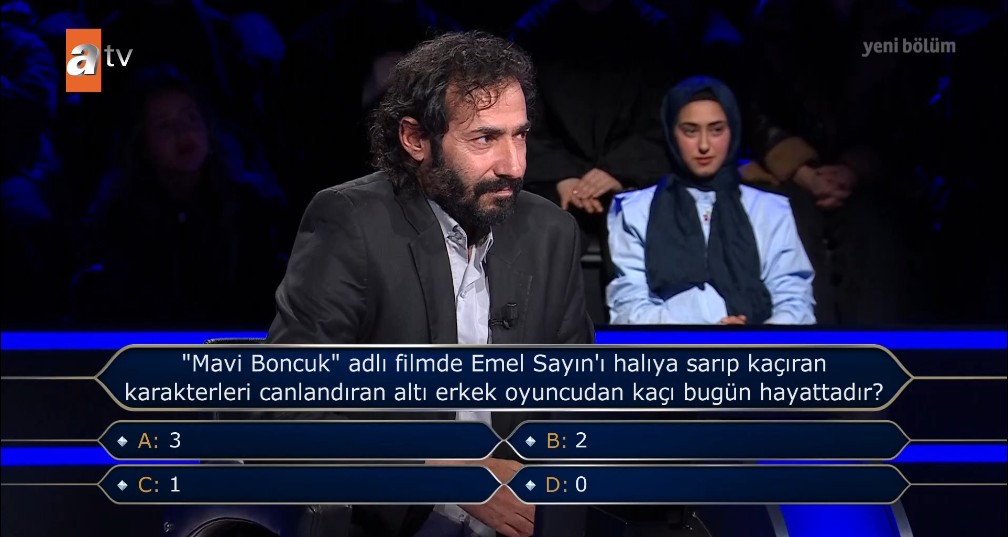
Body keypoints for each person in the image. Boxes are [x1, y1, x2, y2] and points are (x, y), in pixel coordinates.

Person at [268, 31, 594, 537]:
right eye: (485, 139)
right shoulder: (351, 222)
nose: (513, 165)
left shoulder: (551, 232)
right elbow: (285, 408)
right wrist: (443, 468)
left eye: (520, 135)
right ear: (416, 140)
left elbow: (577, 400)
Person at [607, 76, 815, 325]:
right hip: (671, 347)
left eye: (716, 130)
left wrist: (754, 337)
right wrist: (703, 333)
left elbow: (794, 300)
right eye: (690, 131)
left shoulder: (769, 210)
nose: (704, 145)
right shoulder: (636, 211)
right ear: (671, 133)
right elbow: (628, 306)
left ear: (733, 130)